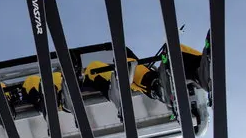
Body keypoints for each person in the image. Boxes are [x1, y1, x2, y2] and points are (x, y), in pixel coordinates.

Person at [82, 42, 210, 117]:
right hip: (92, 85)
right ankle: (156, 86)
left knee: (174, 48)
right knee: (94, 67)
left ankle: (200, 71)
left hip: (134, 80)